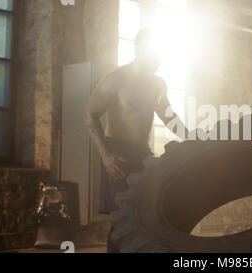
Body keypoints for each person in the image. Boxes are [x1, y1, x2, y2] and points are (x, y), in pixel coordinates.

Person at [84, 29, 188, 250]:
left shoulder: (158, 84)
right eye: (156, 55)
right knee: (122, 220)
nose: (160, 61)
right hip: (117, 155)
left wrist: (194, 138)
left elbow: (169, 117)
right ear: (141, 50)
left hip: (143, 154)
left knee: (146, 216)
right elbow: (89, 114)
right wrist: (106, 156)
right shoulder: (115, 79)